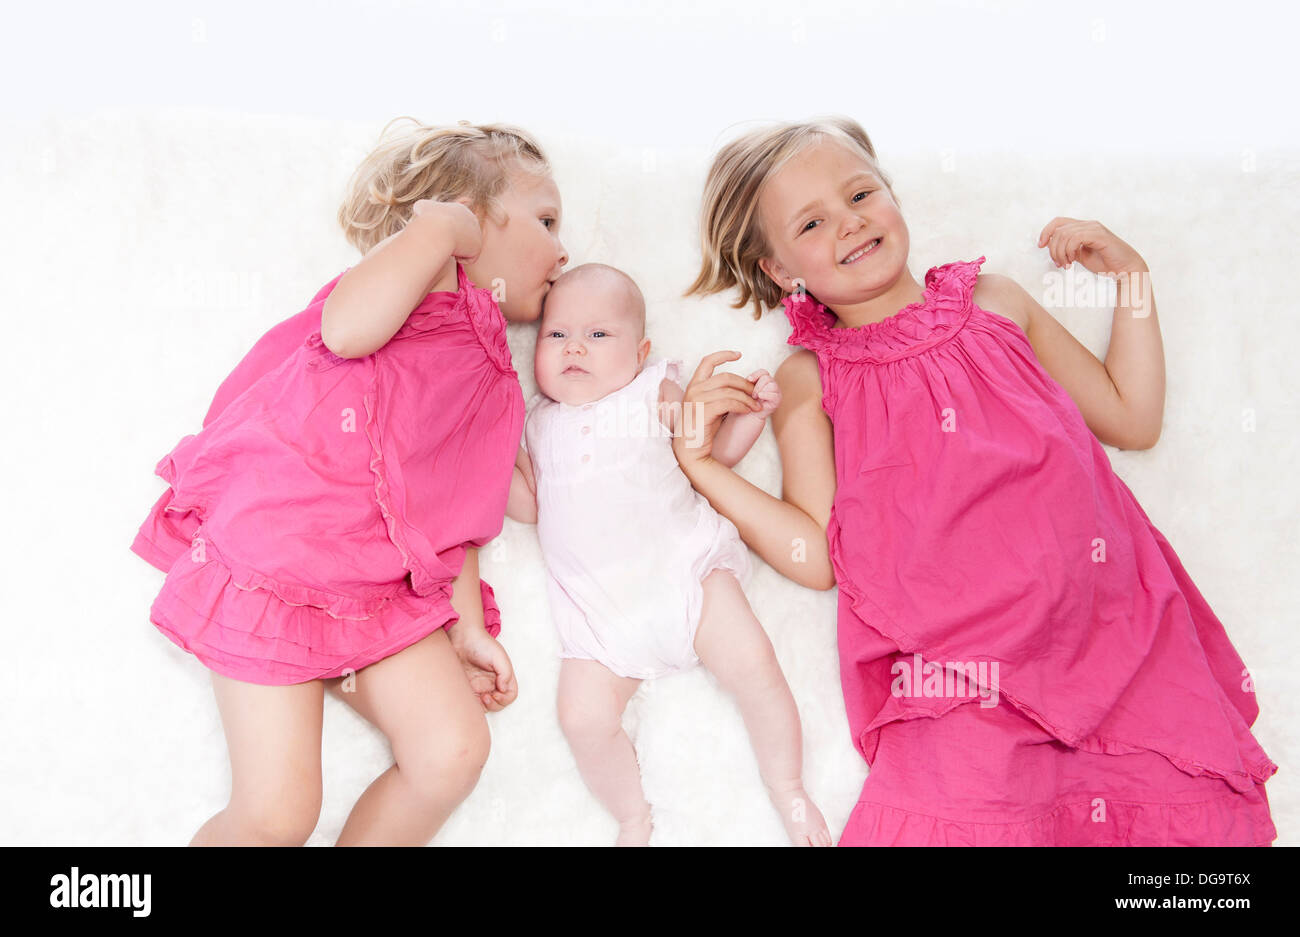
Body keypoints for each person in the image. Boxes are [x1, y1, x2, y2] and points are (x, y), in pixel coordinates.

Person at [677, 116, 1278, 845]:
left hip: (1105, 628)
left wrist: (1133, 279)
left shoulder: (996, 301)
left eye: (861, 193)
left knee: (1162, 829)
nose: (850, 223)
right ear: (780, 271)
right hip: (958, 672)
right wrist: (702, 466)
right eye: (812, 222)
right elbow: (816, 556)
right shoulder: (810, 377)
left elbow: (1131, 416)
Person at [130, 118, 568, 846]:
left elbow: (457, 519)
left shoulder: (497, 382)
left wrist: (463, 628)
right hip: (277, 561)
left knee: (453, 751)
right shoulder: (421, 281)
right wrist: (436, 232)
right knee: (278, 814)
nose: (562, 247)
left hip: (377, 592)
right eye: (547, 219)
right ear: (466, 212)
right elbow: (344, 330)